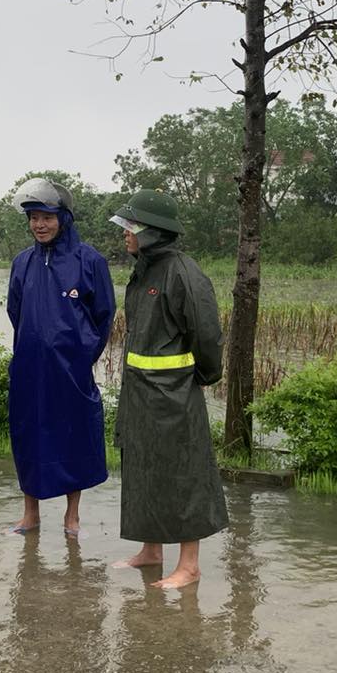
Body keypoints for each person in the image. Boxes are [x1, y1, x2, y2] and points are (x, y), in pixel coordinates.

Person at [110, 190, 227, 589]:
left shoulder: (183, 273)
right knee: (144, 469)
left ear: (152, 232)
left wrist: (202, 378)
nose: (125, 234)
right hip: (140, 393)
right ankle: (151, 550)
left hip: (174, 396)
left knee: (182, 474)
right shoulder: (144, 269)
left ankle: (189, 565)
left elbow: (207, 337)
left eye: (131, 226)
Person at [5, 178, 115, 536]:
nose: (39, 224)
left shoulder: (89, 260)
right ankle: (30, 513)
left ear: (63, 218)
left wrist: (81, 355)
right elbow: (15, 311)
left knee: (74, 436)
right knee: (28, 436)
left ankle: (72, 515)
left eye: (47, 217)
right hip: (29, 370)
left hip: (71, 371)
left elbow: (103, 316)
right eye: (34, 217)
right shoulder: (22, 263)